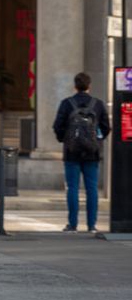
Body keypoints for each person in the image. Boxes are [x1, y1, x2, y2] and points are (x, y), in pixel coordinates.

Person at [52, 72, 111, 234]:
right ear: (89, 86)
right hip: (92, 153)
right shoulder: (97, 104)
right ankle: (91, 225)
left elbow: (57, 126)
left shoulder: (67, 103)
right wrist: (96, 141)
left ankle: (72, 224)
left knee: (72, 188)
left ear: (75, 86)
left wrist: (65, 140)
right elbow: (106, 127)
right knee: (91, 188)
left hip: (71, 152)